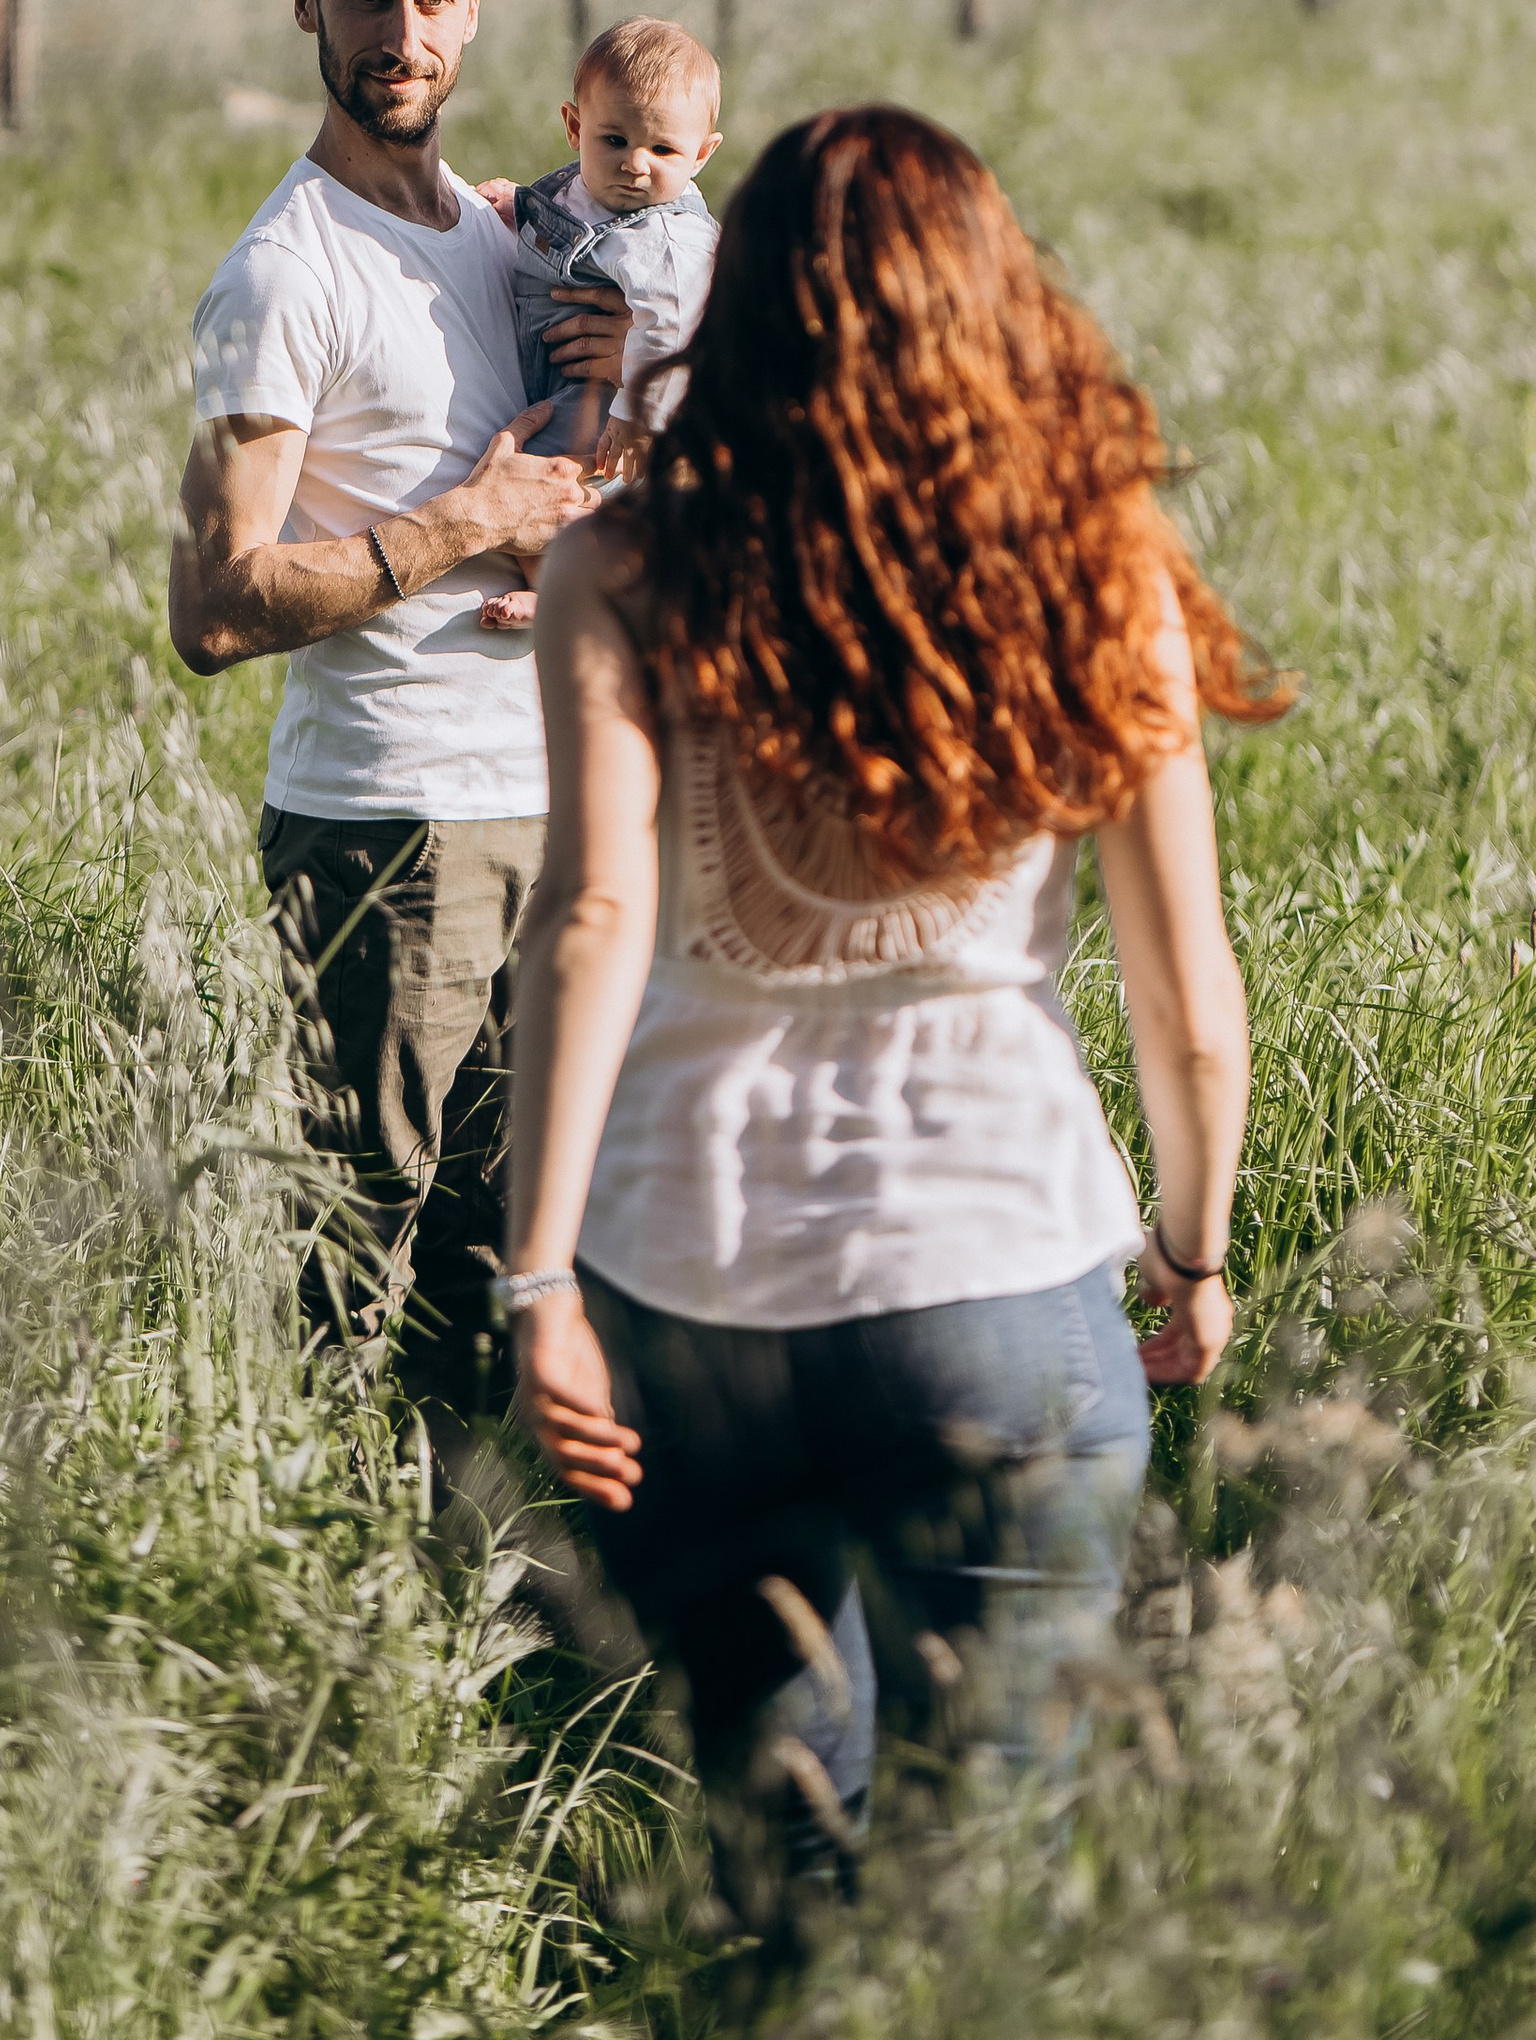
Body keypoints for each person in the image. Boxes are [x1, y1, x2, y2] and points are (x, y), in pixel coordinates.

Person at [500, 104, 1280, 1943]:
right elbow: (1191, 1002)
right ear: (996, 309)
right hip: (1004, 1280)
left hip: (691, 1284)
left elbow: (594, 914)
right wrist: (1195, 1246)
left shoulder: (626, 565)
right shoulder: (1098, 571)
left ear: (746, 304)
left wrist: (537, 1281)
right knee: (978, 1902)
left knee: (783, 1860)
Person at [167, 0, 634, 1429]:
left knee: (516, 1258)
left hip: (547, 812)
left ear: (475, 13)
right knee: (353, 1258)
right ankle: (324, 1603)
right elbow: (216, 605)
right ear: (306, 1)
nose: (400, 32)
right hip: (386, 833)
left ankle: (481, 1611)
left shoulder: (498, 238)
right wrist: (467, 525)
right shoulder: (282, 275)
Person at [471, 15, 724, 635]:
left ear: (703, 154)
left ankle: (562, 595)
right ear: (574, 128)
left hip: (611, 399)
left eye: (663, 150)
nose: (635, 164)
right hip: (561, 380)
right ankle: (556, 587)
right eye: (614, 140)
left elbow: (669, 331)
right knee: (533, 490)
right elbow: (562, 216)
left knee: (553, 487)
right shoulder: (590, 192)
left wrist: (638, 417)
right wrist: (519, 205)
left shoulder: (666, 237)